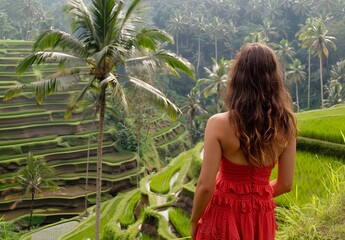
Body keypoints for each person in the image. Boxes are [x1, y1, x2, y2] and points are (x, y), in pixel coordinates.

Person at [190, 43, 297, 240]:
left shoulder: (218, 124)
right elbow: (286, 183)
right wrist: (255, 197)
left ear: (237, 78)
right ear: (274, 80)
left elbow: (206, 185)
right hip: (261, 216)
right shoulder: (286, 124)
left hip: (222, 214)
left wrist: (193, 221)